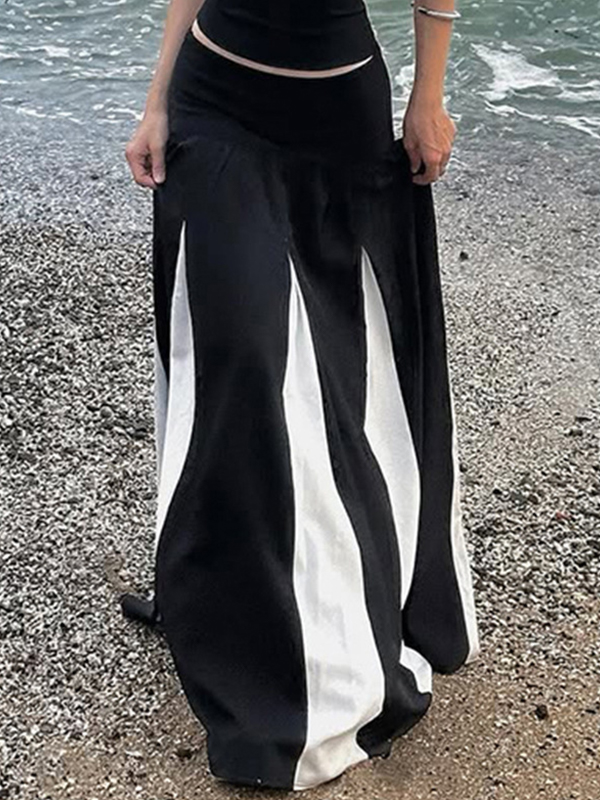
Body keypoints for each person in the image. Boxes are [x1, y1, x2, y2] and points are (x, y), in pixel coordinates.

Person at [122, 0, 480, 791]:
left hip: (337, 117)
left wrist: (428, 97)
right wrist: (156, 102)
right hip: (213, 100)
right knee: (240, 360)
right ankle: (223, 596)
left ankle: (328, 618)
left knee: (344, 369)